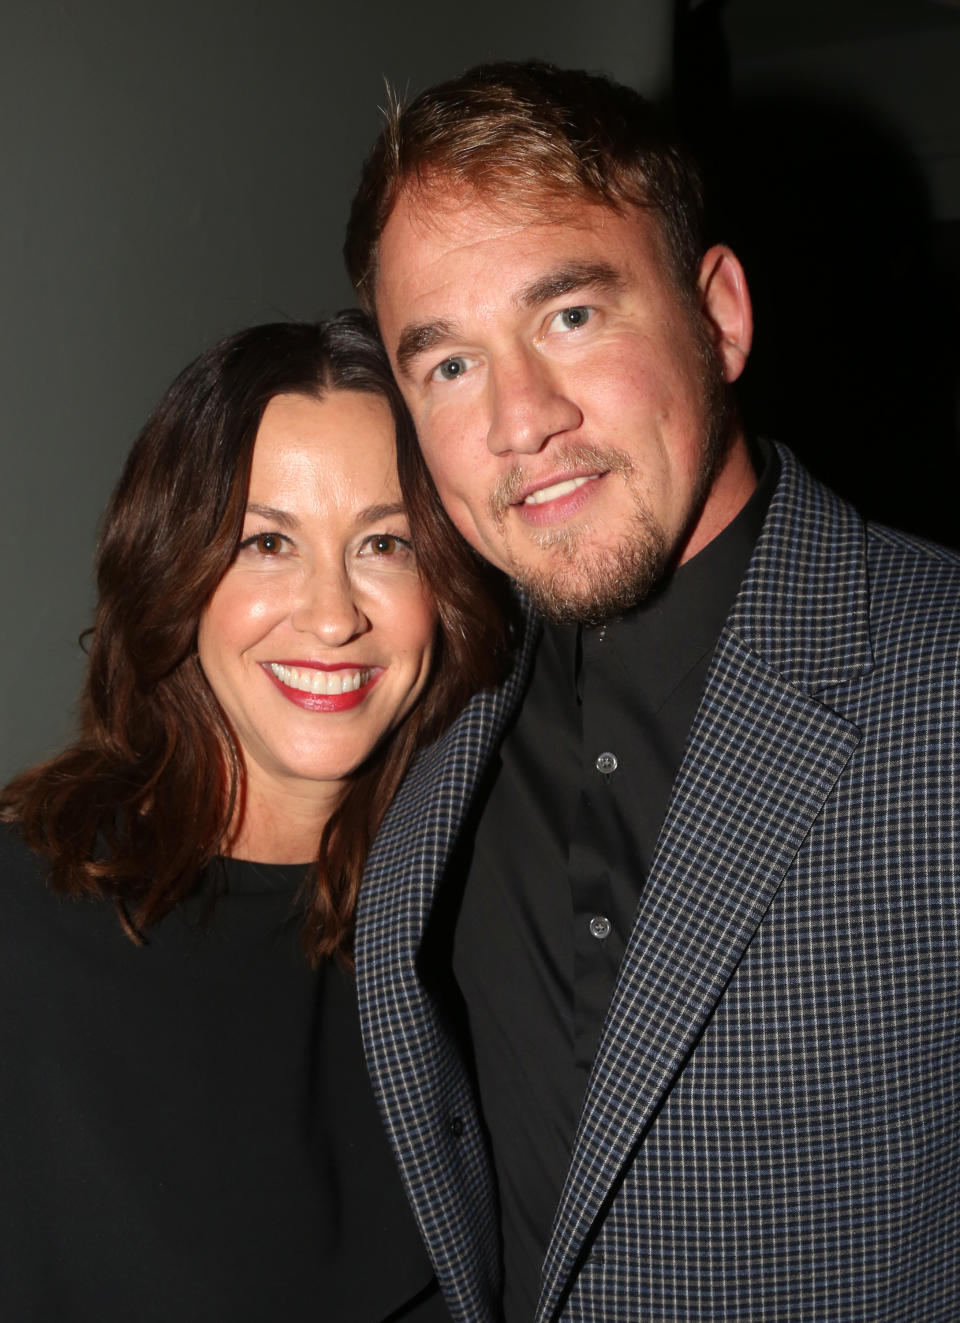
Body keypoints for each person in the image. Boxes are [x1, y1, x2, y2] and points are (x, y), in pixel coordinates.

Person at [343, 61, 960, 1322]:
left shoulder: (939, 679)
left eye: (570, 316)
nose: (523, 421)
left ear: (719, 316)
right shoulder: (426, 702)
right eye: (448, 365)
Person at [0, 312, 508, 1322]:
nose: (332, 615)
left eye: (385, 543)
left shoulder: (474, 917)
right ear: (173, 572)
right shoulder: (20, 929)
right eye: (267, 541)